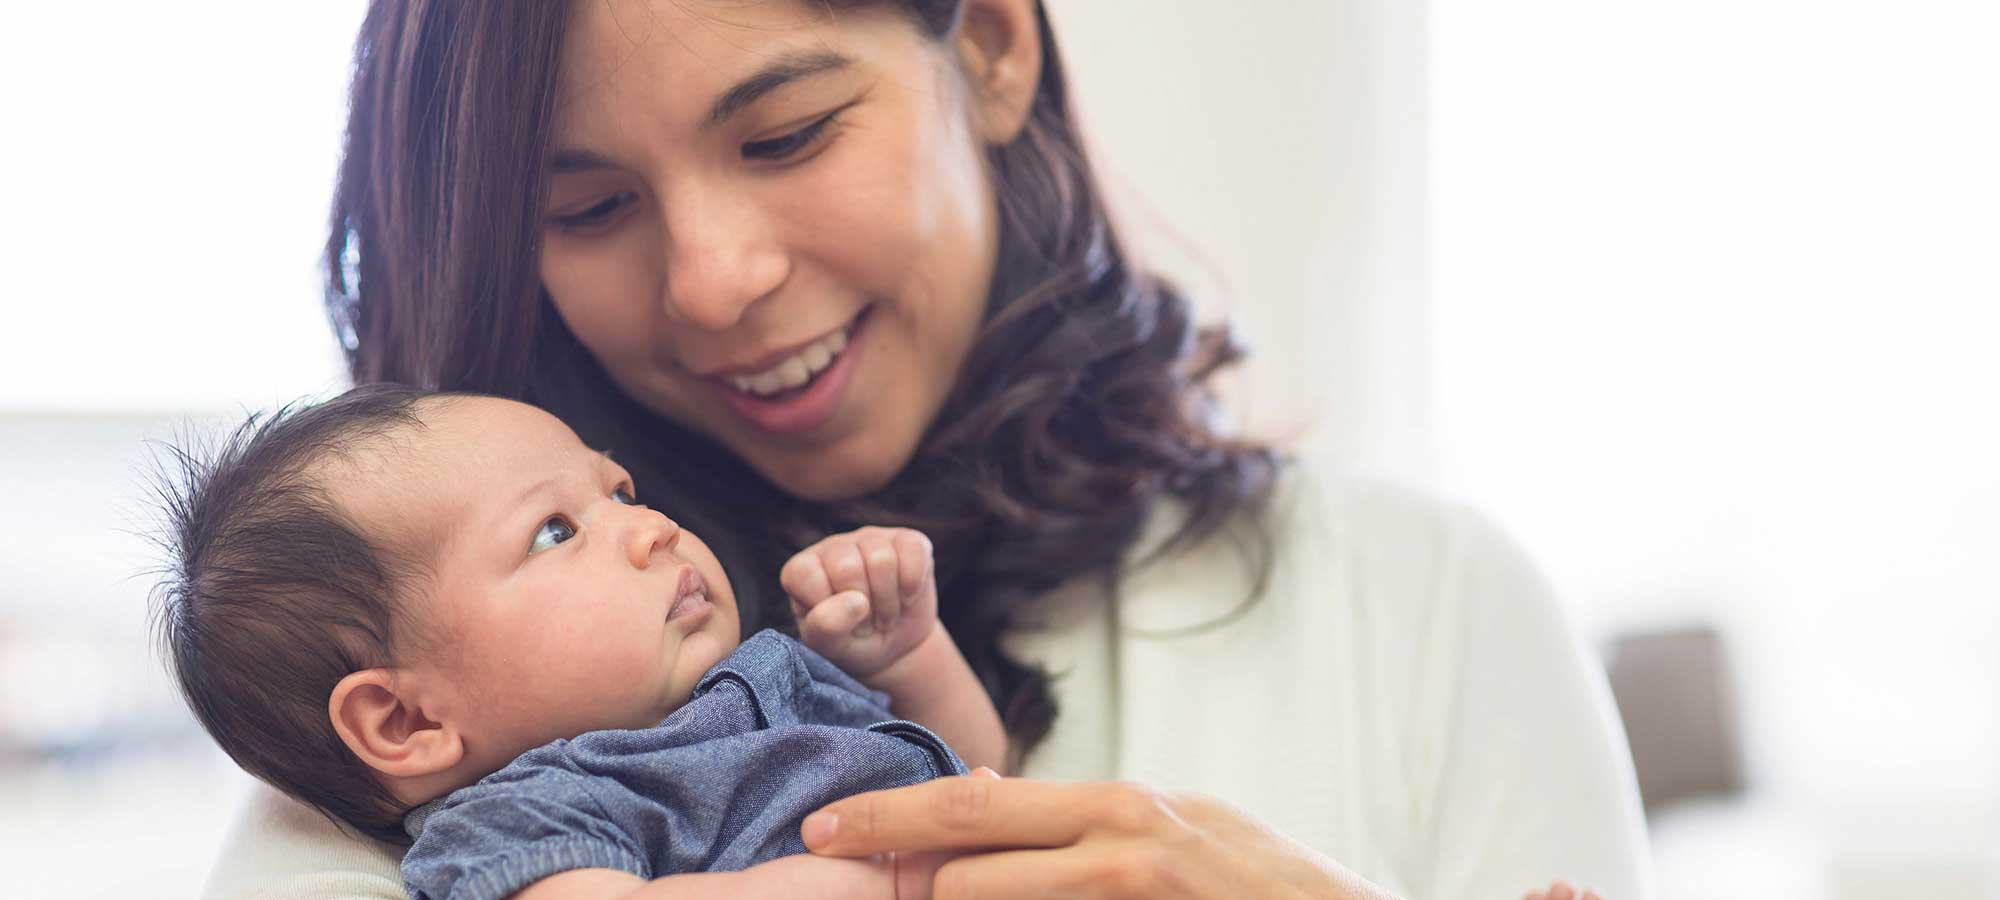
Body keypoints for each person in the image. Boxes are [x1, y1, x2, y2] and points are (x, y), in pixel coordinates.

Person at [205, 1, 1651, 897]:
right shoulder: (416, 714)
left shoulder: (1428, 600)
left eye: (785, 136)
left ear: (995, 49)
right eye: (586, 211)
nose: (712, 280)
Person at [156, 385, 1003, 898]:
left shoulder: (776, 674)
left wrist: (908, 655)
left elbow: (985, 773)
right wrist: (893, 883)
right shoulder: (523, 816)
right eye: (555, 532)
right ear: (407, 722)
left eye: (621, 491)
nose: (651, 529)